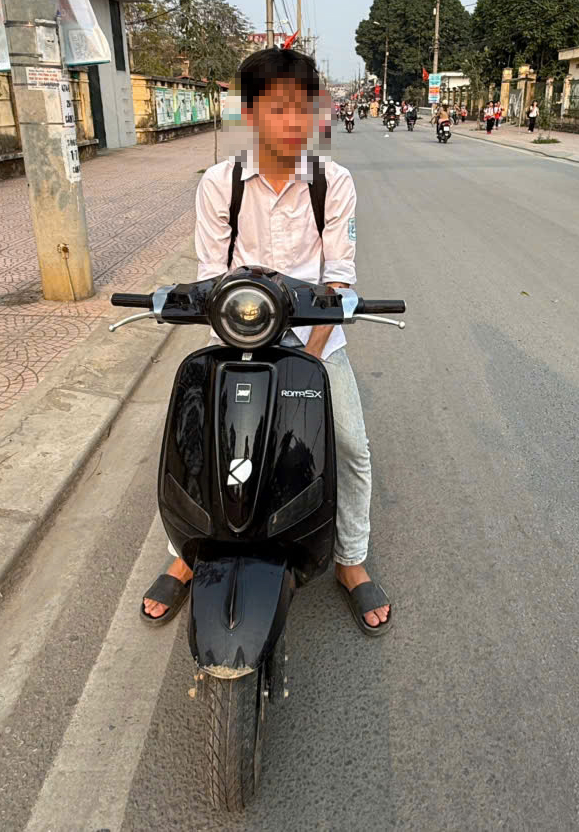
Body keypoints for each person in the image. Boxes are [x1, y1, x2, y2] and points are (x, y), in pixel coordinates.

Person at [141, 48, 392, 635]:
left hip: (314, 347)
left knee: (350, 448)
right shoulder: (218, 184)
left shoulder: (335, 183)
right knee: (196, 447)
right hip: (234, 345)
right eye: (278, 108)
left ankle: (350, 560)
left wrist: (306, 361)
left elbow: (338, 280)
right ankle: (189, 550)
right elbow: (209, 279)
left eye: (304, 107)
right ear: (250, 113)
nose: (294, 121)